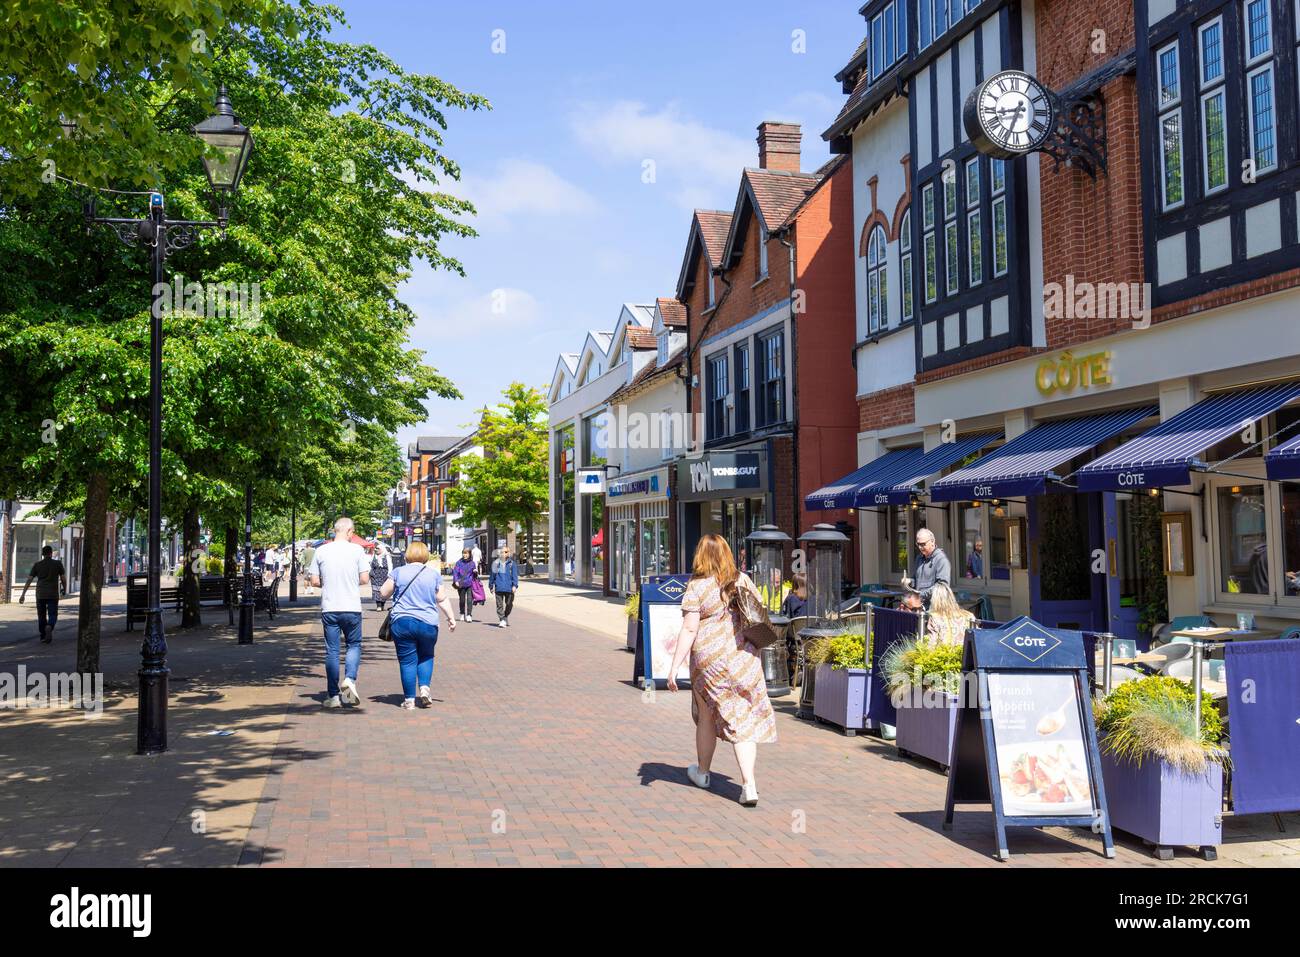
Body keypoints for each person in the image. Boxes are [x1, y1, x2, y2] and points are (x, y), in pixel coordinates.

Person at [667, 534, 776, 807]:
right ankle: (748, 784)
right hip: (744, 658)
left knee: (706, 715)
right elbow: (759, 617)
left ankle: (704, 774)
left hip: (709, 661)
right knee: (743, 719)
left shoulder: (697, 586)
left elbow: (690, 628)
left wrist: (674, 666)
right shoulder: (742, 580)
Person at [379, 542, 456, 710]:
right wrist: (451, 618)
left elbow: (383, 593)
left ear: (407, 555)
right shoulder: (433, 575)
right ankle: (425, 689)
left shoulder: (398, 572)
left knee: (407, 661)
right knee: (426, 655)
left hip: (402, 622)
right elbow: (441, 599)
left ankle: (409, 700)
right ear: (425, 555)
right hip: (428, 622)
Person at [309, 518, 371, 709]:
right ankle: (349, 680)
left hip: (330, 607)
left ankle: (333, 695)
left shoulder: (321, 550)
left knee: (332, 651)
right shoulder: (357, 550)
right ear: (350, 531)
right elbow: (364, 578)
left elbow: (314, 581)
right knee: (353, 645)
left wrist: (329, 581)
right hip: (351, 606)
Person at [19, 545, 67, 643]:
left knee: (41, 615)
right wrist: (64, 589)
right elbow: (63, 578)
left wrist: (23, 594)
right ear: (51, 553)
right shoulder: (57, 564)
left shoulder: (37, 565)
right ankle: (49, 626)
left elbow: (29, 579)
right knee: (53, 614)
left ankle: (43, 636)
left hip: (40, 593)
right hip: (52, 594)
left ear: (42, 554)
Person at [902, 528, 950, 608]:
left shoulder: (941, 560)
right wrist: (909, 581)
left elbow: (942, 587)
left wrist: (920, 595)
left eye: (923, 544)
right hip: (919, 607)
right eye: (918, 544)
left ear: (932, 542)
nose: (920, 547)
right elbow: (917, 580)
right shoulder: (919, 558)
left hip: (935, 609)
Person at [489, 544, 519, 628]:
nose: (504, 553)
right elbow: (492, 576)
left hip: (509, 588)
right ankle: (502, 619)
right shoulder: (496, 563)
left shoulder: (512, 564)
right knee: (499, 605)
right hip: (499, 588)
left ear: (508, 553)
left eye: (506, 552)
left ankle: (505, 616)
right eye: (502, 552)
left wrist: (515, 586)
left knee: (509, 604)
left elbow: (515, 576)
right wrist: (491, 586)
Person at [451, 548, 478, 622]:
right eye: (464, 553)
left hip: (469, 584)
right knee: (462, 600)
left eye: (466, 553)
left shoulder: (472, 563)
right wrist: (456, 580)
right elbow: (455, 572)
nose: (465, 555)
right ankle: (462, 613)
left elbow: (475, 575)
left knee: (469, 600)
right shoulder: (459, 562)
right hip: (461, 584)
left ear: (469, 554)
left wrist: (475, 572)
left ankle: (469, 615)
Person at [370, 543, 393, 611]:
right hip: (375, 576)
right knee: (376, 591)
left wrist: (389, 575)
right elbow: (370, 564)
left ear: (382, 549)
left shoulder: (387, 556)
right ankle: (378, 605)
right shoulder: (373, 556)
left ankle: (382, 604)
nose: (376, 550)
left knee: (384, 590)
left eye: (378, 548)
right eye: (376, 548)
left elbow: (390, 566)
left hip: (384, 576)